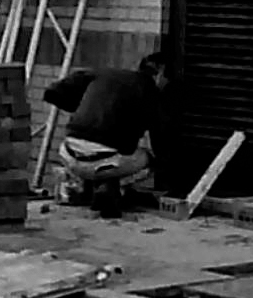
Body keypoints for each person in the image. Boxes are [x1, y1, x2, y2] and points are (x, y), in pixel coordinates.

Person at [42, 53, 170, 217]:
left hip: (68, 154)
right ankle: (113, 187)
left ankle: (95, 188)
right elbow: (159, 137)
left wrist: (80, 109)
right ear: (159, 73)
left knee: (107, 152)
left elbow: (51, 92)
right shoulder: (150, 91)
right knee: (148, 159)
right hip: (106, 160)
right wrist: (168, 169)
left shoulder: (102, 74)